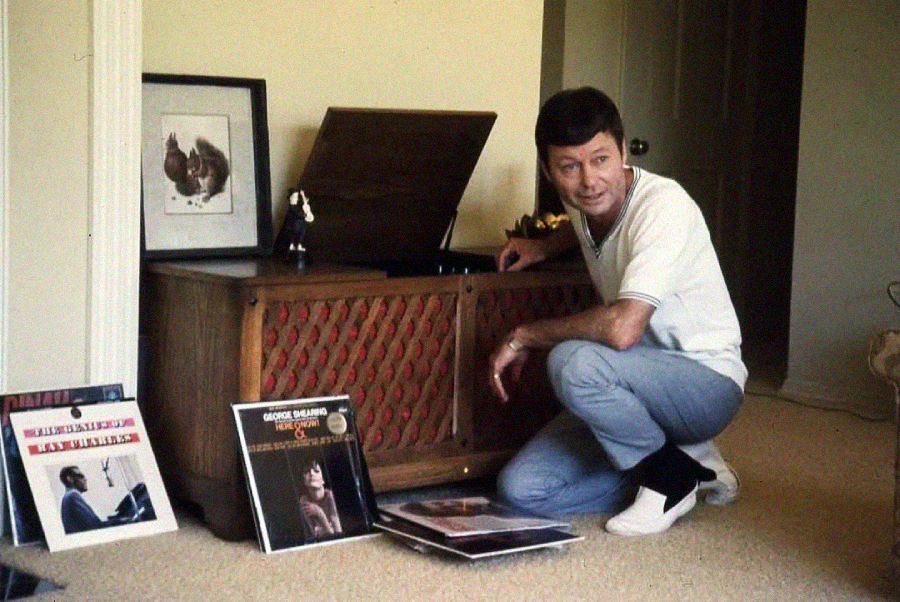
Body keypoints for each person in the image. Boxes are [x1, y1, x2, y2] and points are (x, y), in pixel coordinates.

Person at [489, 87, 746, 536]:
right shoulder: (585, 204)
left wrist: (525, 335)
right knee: (521, 490)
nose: (589, 180)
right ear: (550, 172)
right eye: (570, 166)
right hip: (633, 388)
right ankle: (681, 464)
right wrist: (543, 246)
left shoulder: (664, 206)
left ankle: (669, 478)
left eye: (601, 159)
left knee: (572, 361)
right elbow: (590, 222)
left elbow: (624, 330)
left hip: (706, 383)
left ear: (624, 153)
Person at [296, 455, 342, 538]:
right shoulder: (304, 501)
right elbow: (316, 536)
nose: (311, 473)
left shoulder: (330, 496)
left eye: (316, 471)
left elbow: (337, 535)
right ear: (304, 481)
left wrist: (319, 513)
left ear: (323, 479)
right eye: (307, 471)